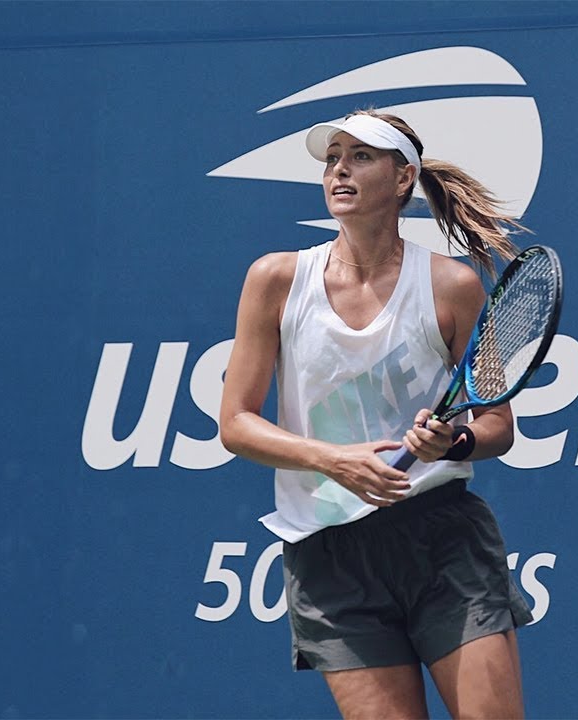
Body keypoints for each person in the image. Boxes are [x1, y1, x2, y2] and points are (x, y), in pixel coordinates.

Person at [219, 110, 534, 719]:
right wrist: (334, 461)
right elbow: (235, 423)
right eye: (333, 157)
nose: (339, 169)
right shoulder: (276, 280)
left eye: (360, 157)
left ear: (401, 178)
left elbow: (497, 425)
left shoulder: (453, 286)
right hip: (330, 556)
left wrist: (453, 443)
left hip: (443, 539)